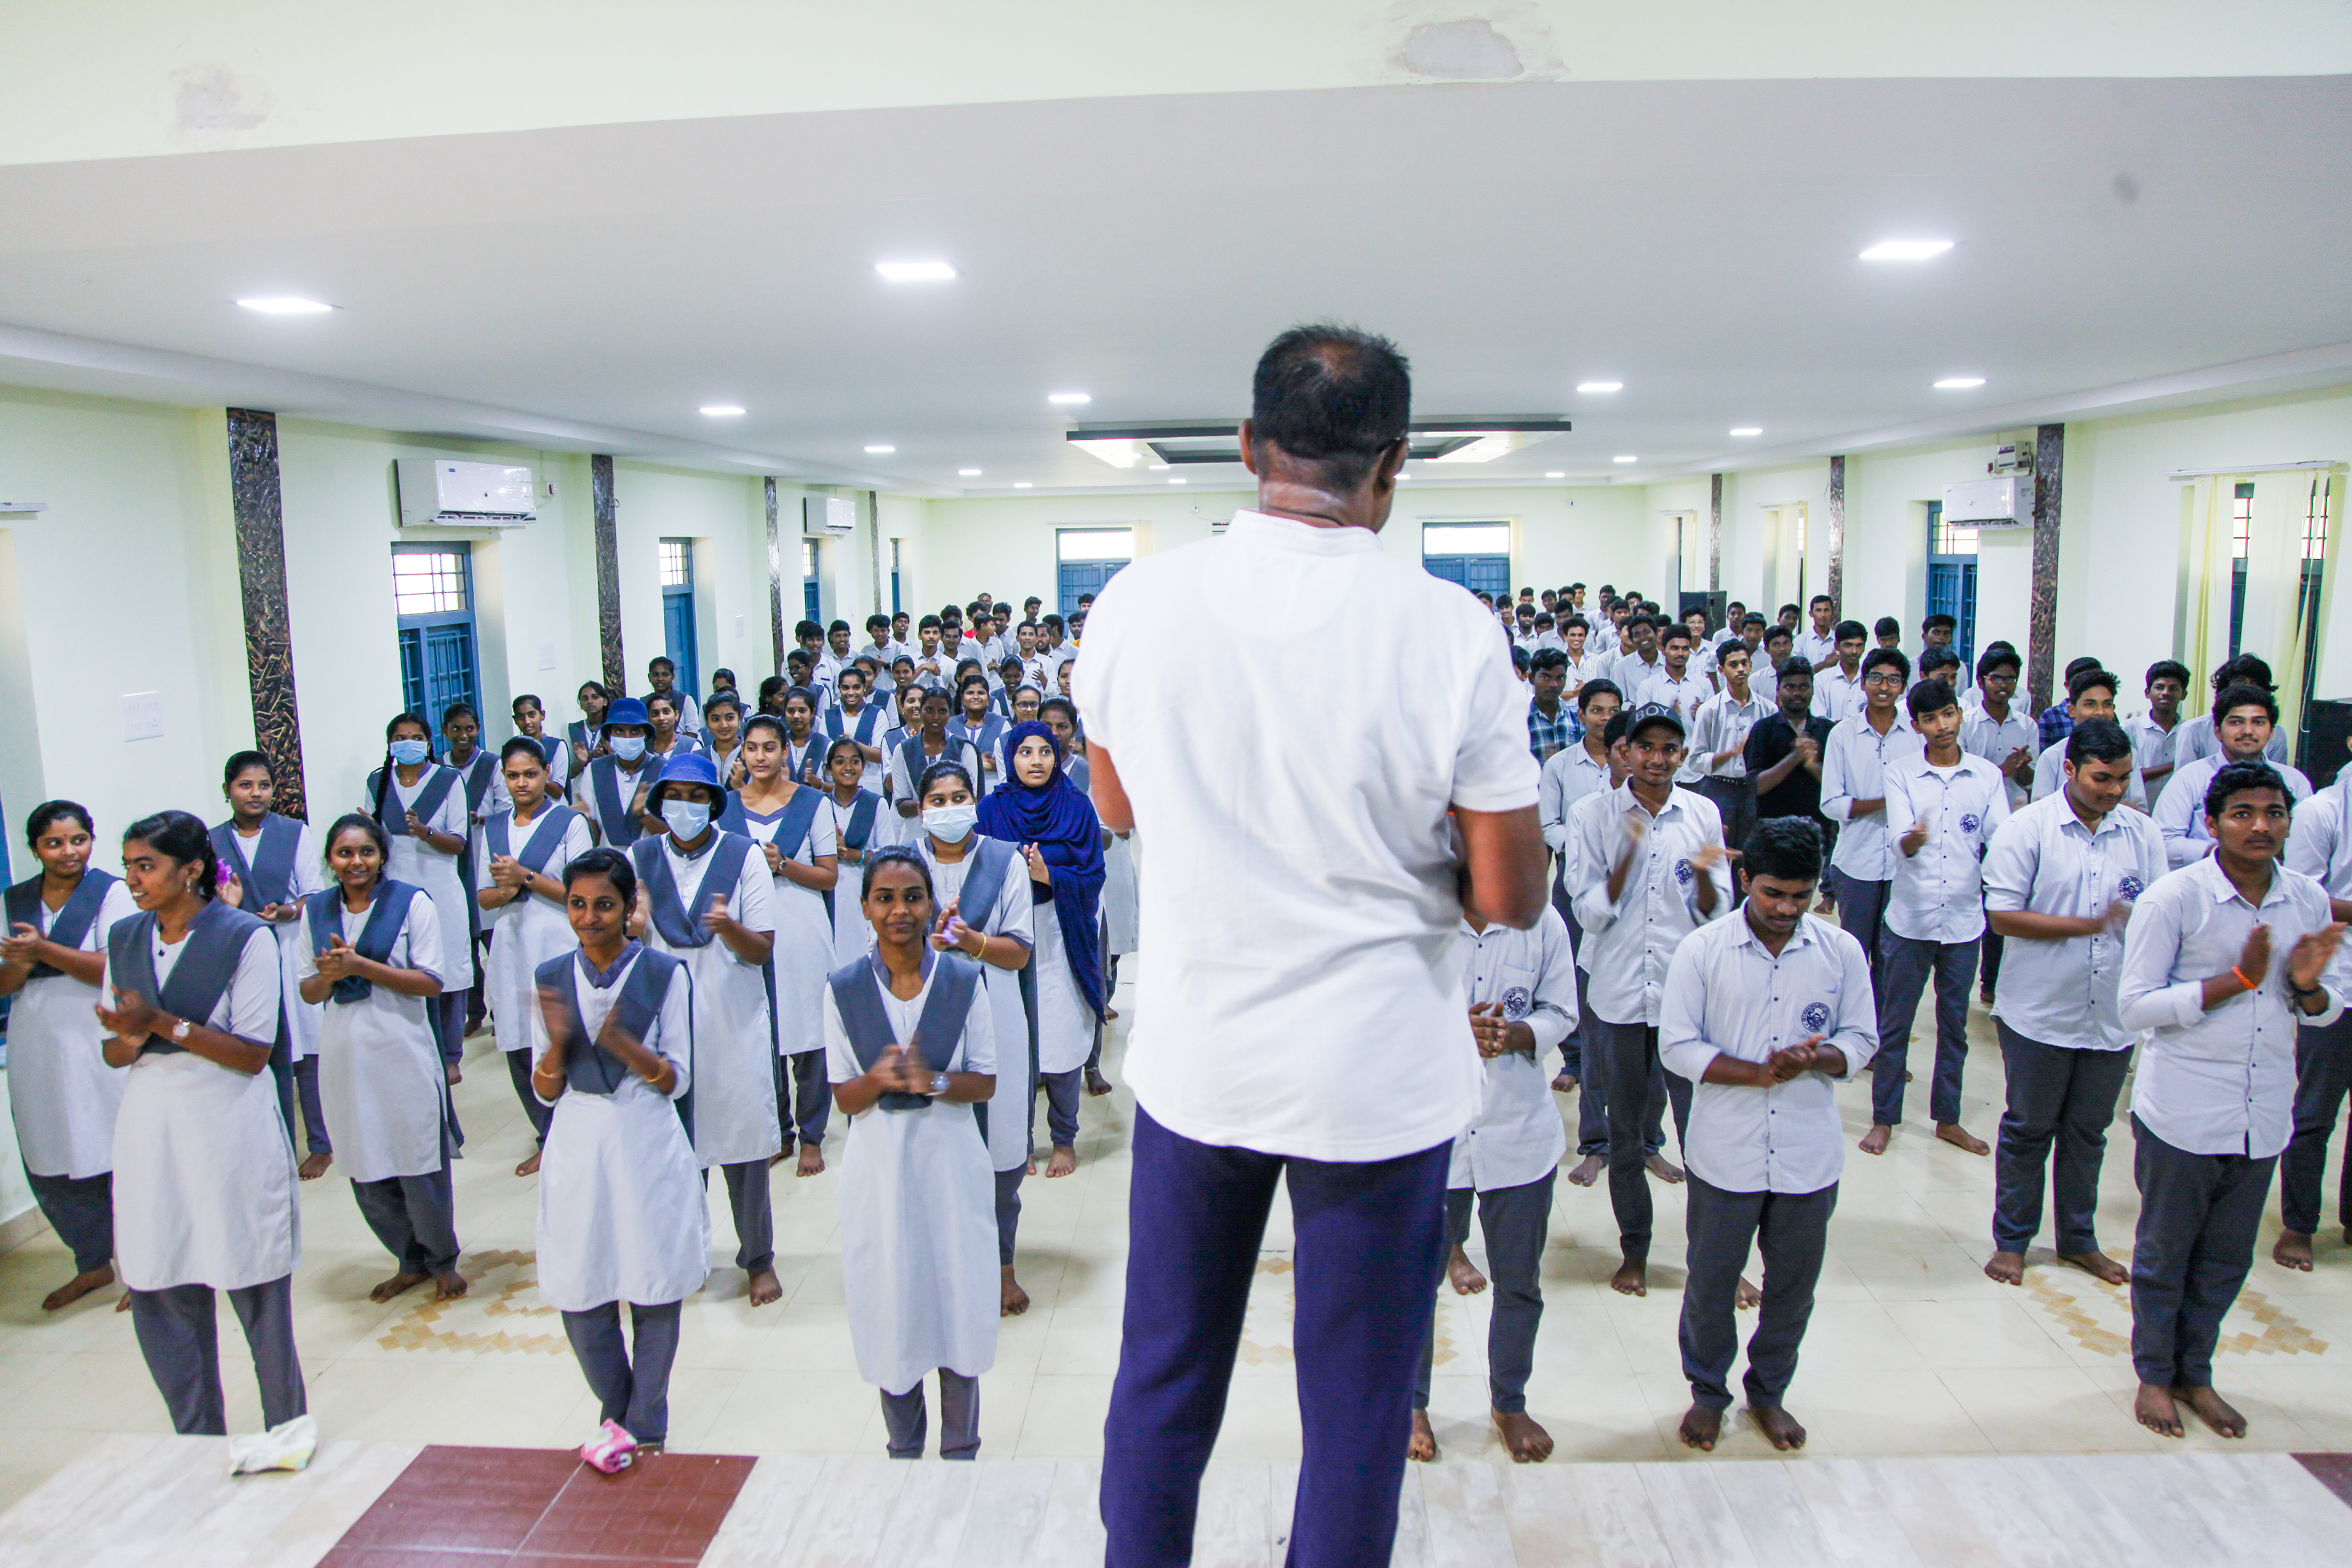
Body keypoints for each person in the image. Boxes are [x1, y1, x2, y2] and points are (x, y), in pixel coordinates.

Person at [1080, 325, 1544, 1567]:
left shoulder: (1137, 602)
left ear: (1247, 448)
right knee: (1353, 1411)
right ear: (1394, 464)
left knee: (1166, 1373)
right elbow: (1506, 894)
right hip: (1374, 1077)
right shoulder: (1451, 630)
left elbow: (1117, 809)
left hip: (1201, 1057)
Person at [2117, 760, 2345, 1439]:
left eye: (2274, 813)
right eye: (2243, 813)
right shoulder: (2175, 897)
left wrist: (2305, 987)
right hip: (2185, 1109)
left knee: (2225, 1260)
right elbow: (2134, 1008)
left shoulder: (2305, 899)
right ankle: (2155, 1376)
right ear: (2213, 824)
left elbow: (2321, 1014)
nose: (2261, 826)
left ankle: (2198, 1374)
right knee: (2165, 1254)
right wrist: (2234, 980)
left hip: (2262, 1113)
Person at [1661, 816, 1874, 1454]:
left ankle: (1769, 1391)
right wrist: (1755, 1074)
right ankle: (1707, 1392)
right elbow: (1677, 1047)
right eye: (1773, 893)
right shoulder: (1704, 950)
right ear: (1745, 878)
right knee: (1712, 1280)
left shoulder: (1840, 952)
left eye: (1801, 896)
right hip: (1726, 1150)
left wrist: (1819, 1059)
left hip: (1808, 1153)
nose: (1786, 909)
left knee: (1792, 1285)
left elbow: (1862, 1040)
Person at [99, 810, 305, 1439]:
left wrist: (161, 1024)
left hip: (227, 1123)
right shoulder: (126, 938)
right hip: (152, 1127)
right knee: (161, 1271)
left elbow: (250, 1052)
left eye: (147, 866)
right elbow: (112, 1049)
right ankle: (196, 1437)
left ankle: (286, 1429)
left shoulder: (245, 937)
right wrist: (129, 1037)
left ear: (191, 871)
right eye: (130, 865)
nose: (134, 879)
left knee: (251, 1276)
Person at [531, 849, 704, 1473]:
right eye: (578, 904)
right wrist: (555, 1049)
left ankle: (645, 1422)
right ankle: (618, 1406)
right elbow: (544, 1088)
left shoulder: (664, 974)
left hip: (643, 1137)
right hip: (578, 1140)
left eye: (605, 904)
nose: (590, 917)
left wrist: (632, 1051)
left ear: (630, 908)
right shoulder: (552, 976)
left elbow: (678, 1079)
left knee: (653, 1281)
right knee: (582, 1285)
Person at [825, 848, 1000, 1459]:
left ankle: (961, 1451)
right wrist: (878, 1079)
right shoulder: (844, 989)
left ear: (931, 903)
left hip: (950, 1166)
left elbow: (986, 1079)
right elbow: (845, 1097)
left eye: (912, 897)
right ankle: (903, 1452)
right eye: (885, 898)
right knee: (891, 1301)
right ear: (866, 906)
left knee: (958, 1299)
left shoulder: (961, 979)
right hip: (879, 1174)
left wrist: (938, 1083)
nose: (899, 910)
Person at [1979, 718, 2166, 1288]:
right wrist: (2086, 926)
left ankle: (2078, 1240)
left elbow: (2159, 914)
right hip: (2040, 1010)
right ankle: (2012, 1241)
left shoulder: (2141, 833)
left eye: (2123, 779)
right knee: (2030, 1127)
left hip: (2111, 1013)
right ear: (2069, 769)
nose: (2114, 791)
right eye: (2102, 779)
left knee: (2089, 1131)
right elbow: (2003, 916)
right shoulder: (2029, 829)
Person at [1408, 898, 1576, 1465]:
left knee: (1520, 1282)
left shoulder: (1542, 921)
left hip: (1519, 1134)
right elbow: (1387, 1012)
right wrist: (1456, 1032)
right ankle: (1412, 1405)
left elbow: (1562, 1010)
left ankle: (1509, 1403)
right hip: (1436, 1134)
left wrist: (1516, 1032)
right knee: (1415, 1289)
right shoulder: (1416, 916)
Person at [1571, 705, 1733, 1297]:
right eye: (1646, 748)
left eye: (1669, 748)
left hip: (1686, 1000)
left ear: (1682, 754)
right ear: (1625, 753)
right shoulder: (1593, 814)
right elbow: (1588, 911)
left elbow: (1717, 912)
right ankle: (1634, 1251)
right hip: (1616, 995)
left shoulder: (1703, 814)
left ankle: (1714, 1259)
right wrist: (1629, 860)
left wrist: (1708, 876)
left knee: (1703, 1134)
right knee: (1626, 1136)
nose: (1658, 759)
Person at [629, 753, 783, 1307]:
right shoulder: (640, 857)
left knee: (741, 1144)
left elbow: (762, 946)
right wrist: (633, 929)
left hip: (731, 1016)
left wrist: (727, 926)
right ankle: (680, 1253)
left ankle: (758, 1260)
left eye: (697, 797)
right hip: (665, 1023)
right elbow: (627, 943)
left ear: (714, 803)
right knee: (670, 1148)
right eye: (676, 796)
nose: (686, 807)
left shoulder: (742, 856)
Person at [297, 815, 462, 1303]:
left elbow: (432, 980)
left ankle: (442, 1259)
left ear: (383, 856)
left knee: (417, 1159)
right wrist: (330, 976)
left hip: (402, 1047)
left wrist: (361, 966)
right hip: (346, 1052)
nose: (356, 862)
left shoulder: (410, 903)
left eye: (366, 852)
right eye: (345, 853)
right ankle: (407, 1260)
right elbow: (309, 991)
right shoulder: (317, 911)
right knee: (364, 1159)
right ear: (330, 859)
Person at [911, 761, 1039, 1315]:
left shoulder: (1003, 860)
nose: (948, 808)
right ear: (921, 808)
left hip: (993, 1003)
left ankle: (1002, 1264)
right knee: (931, 1135)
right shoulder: (901, 864)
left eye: (960, 796)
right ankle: (936, 1264)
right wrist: (930, 949)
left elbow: (1020, 950)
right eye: (937, 800)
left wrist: (972, 941)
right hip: (921, 1005)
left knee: (1000, 1136)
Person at [1862, 679, 2008, 1157]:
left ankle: (1948, 1118)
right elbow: (1900, 841)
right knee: (1896, 1024)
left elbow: (2001, 840)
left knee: (1955, 1026)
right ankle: (1884, 1118)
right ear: (1918, 725)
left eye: (1948, 714)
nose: (1942, 726)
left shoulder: (1986, 776)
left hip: (1965, 921)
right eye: (1930, 719)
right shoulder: (1902, 772)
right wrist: (1915, 837)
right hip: (1911, 918)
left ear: (1959, 714)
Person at [0, 800, 137, 1310]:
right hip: (37, 1042)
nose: (67, 852)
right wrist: (19, 964)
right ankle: (92, 1263)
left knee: (116, 1152)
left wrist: (43, 953)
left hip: (95, 1036)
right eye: (54, 843)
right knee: (51, 1153)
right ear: (34, 848)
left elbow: (112, 965)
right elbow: (5, 980)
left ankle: (145, 1270)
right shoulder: (14, 901)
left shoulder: (111, 892)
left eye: (77, 840)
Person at [979, 720, 1105, 1182]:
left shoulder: (1077, 808)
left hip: (1060, 932)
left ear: (1058, 755)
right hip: (1006, 936)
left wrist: (1051, 877)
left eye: (1045, 752)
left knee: (1061, 1036)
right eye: (1025, 752)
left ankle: (1064, 1139)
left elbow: (1094, 877)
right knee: (1014, 1042)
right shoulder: (992, 810)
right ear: (1010, 758)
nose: (1036, 761)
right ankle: (1021, 1142)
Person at [724, 717, 839, 1181]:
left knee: (809, 1034)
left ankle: (812, 1135)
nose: (760, 756)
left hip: (801, 926)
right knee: (761, 1031)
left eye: (769, 747)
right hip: (749, 930)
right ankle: (779, 1129)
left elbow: (829, 874)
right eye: (750, 748)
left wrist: (785, 865)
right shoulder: (727, 807)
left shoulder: (813, 803)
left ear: (785, 751)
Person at [211, 752, 332, 1178]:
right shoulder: (212, 842)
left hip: (287, 948)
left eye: (263, 785)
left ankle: (320, 1143)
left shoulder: (293, 833)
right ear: (227, 790)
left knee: (305, 1050)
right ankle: (277, 1144)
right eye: (245, 785)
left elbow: (315, 896)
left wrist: (286, 912)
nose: (255, 793)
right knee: (262, 1047)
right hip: (239, 955)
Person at [476, 737, 591, 1177]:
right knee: (519, 1042)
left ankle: (574, 1130)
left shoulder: (568, 823)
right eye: (513, 776)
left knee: (563, 1038)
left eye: (530, 774)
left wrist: (525, 877)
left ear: (546, 774)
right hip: (511, 943)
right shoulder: (496, 826)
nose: (522, 783)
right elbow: (485, 898)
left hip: (557, 939)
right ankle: (546, 1133)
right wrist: (505, 890)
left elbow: (581, 895)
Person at [2278, 732, 2352, 1270]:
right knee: (2315, 1111)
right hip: (2336, 980)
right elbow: (2304, 895)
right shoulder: (2323, 811)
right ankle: (2298, 1225)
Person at [365, 713, 474, 1077]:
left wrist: (426, 833)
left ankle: (450, 1054)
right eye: (399, 737)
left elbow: (459, 843)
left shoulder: (448, 780)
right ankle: (414, 1046)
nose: (407, 743)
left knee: (448, 970)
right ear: (389, 744)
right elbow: (374, 836)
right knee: (405, 965)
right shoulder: (378, 781)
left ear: (428, 742)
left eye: (415, 737)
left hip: (440, 885)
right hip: (396, 886)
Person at [1820, 647, 1923, 980]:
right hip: (1856, 863)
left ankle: (1884, 1030)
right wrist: (1888, 802)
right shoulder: (1843, 734)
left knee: (1892, 957)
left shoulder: (1916, 736)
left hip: (1903, 866)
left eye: (1894, 680)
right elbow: (1832, 804)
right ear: (1863, 683)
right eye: (1877, 677)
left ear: (1903, 687)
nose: (1884, 686)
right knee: (1853, 956)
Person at [2153, 685, 2313, 866]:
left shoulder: (2294, 781)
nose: (2247, 731)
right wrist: (2222, 854)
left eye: (2258, 722)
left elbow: (2308, 844)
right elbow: (2163, 841)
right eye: (2236, 722)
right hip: (2205, 883)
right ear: (2218, 731)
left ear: (2272, 732)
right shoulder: (2190, 778)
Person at [439, 702, 508, 1038]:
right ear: (445, 733)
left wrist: (480, 820)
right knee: (463, 943)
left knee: (492, 943)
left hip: (483, 855)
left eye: (469, 728)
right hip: (451, 864)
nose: (463, 735)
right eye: (456, 729)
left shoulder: (491, 765)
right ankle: (474, 1010)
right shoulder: (439, 768)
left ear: (477, 729)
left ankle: (500, 1008)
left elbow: (506, 809)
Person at [821, 734, 900, 969]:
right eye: (840, 762)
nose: (848, 767)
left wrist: (854, 855)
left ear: (863, 767)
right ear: (828, 769)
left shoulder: (876, 804)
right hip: (828, 891)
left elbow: (889, 855)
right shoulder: (820, 805)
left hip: (863, 890)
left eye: (855, 761)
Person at [1686, 641, 1769, 850]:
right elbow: (1695, 760)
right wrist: (1730, 754)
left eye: (1744, 663)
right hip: (1719, 789)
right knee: (1716, 855)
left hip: (1754, 791)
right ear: (1721, 670)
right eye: (1733, 665)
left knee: (1750, 855)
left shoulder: (1768, 709)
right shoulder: (1709, 710)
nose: (1740, 669)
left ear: (1751, 665)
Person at [1744, 657, 1834, 845]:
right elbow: (1756, 786)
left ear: (1813, 689)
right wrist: (1795, 757)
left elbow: (1837, 785)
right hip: (1772, 832)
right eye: (1790, 687)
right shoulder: (1763, 729)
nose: (1797, 693)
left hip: (1818, 833)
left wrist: (1812, 766)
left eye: (1804, 687)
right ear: (1778, 690)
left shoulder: (1828, 730)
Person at [2030, 668, 2146, 809]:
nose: (2100, 712)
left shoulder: (2129, 753)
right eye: (2090, 704)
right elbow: (2041, 810)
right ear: (2072, 710)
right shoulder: (2053, 757)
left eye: (2107, 704)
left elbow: (2140, 810)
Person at [2172, 655, 2293, 766]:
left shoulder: (2277, 732)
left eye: (2256, 683)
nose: (2247, 688)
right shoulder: (2193, 729)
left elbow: (2276, 778)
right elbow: (2186, 779)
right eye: (2239, 682)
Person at [889, 687, 985, 818]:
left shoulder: (965, 748)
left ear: (950, 715)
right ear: (921, 711)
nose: (936, 717)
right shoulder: (903, 750)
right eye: (929, 710)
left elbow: (971, 800)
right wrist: (937, 804)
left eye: (942, 711)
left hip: (956, 829)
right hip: (915, 831)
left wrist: (932, 804)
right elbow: (901, 806)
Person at [578, 696, 657, 848]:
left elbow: (672, 833)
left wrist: (643, 815)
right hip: (609, 863)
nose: (627, 737)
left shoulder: (662, 769)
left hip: (652, 861)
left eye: (635, 731)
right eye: (619, 731)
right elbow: (592, 827)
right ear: (610, 735)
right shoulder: (596, 771)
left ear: (646, 734)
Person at [2128, 661, 2189, 808]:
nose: (2166, 693)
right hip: (2139, 811)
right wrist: (2173, 766)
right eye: (2159, 687)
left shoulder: (2189, 730)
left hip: (2179, 810)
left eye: (2173, 688)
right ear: (2147, 693)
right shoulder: (2131, 729)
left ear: (2183, 695)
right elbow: (2128, 775)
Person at [511, 693, 572, 800]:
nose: (527, 722)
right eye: (521, 717)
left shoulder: (556, 746)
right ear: (515, 720)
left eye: (532, 715)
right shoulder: (513, 749)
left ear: (542, 715)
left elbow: (558, 792)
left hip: (555, 810)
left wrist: (535, 775)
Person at [1810, 621, 1869, 723]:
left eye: (1859, 646)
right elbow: (1819, 719)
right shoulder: (1821, 680)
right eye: (1848, 645)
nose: (1854, 651)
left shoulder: (1870, 680)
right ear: (1837, 646)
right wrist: (1846, 726)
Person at [1526, 648, 1573, 761]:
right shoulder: (1520, 721)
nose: (1554, 685)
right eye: (1546, 677)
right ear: (1532, 679)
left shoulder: (1577, 719)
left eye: (1560, 678)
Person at [566, 681, 612, 787]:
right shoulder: (574, 730)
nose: (590, 702)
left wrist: (605, 757)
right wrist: (581, 762)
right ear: (581, 704)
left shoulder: (613, 728)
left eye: (595, 697)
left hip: (609, 785)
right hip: (581, 789)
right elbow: (569, 773)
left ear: (604, 701)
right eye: (585, 699)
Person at [645, 655, 702, 736]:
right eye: (656, 675)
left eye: (665, 675)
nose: (660, 679)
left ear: (673, 677)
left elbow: (694, 733)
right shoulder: (644, 702)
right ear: (649, 677)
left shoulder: (685, 700)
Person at [1795, 595, 1838, 668]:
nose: (1823, 615)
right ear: (1811, 614)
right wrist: (1825, 664)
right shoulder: (1801, 640)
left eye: (1826, 610)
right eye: (1819, 610)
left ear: (1832, 613)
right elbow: (1799, 671)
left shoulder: (1839, 640)